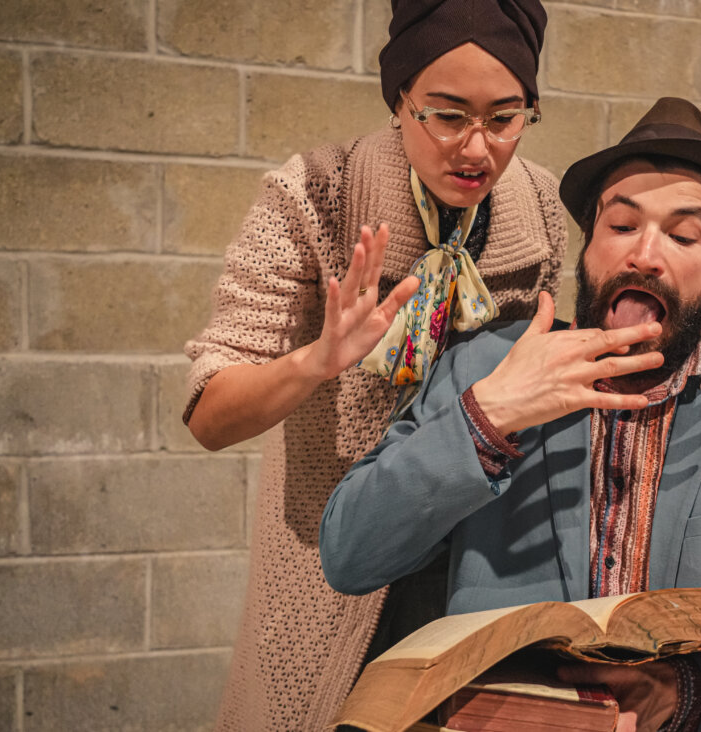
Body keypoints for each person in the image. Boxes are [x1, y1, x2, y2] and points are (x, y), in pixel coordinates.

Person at [320, 97, 701, 732]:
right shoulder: (486, 367)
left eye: (684, 235)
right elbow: (349, 554)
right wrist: (487, 417)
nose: (645, 256)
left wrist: (685, 694)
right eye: (621, 226)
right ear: (590, 245)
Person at [182, 0, 568, 728]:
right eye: (447, 116)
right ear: (400, 98)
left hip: (478, 567)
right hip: (331, 568)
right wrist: (317, 361)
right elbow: (210, 416)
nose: (477, 149)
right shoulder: (314, 196)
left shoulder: (541, 207)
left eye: (505, 118)